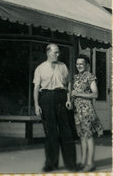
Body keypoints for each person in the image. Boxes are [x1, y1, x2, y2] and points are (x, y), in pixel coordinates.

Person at [33, 43, 77, 172]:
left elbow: (69, 83)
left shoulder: (63, 66)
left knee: (66, 131)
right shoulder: (40, 68)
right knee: (51, 132)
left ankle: (71, 164)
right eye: (55, 52)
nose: (58, 54)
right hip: (46, 98)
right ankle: (51, 163)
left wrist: (69, 99)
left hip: (61, 97)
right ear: (48, 53)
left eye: (58, 52)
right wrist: (36, 105)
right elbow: (36, 88)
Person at [72, 55, 103, 172]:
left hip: (86, 110)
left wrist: (78, 94)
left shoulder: (90, 77)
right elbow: (73, 93)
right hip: (77, 111)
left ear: (87, 65)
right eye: (77, 63)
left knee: (88, 136)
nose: (79, 65)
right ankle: (83, 161)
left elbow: (95, 94)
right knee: (82, 136)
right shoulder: (76, 77)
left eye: (81, 63)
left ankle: (90, 163)